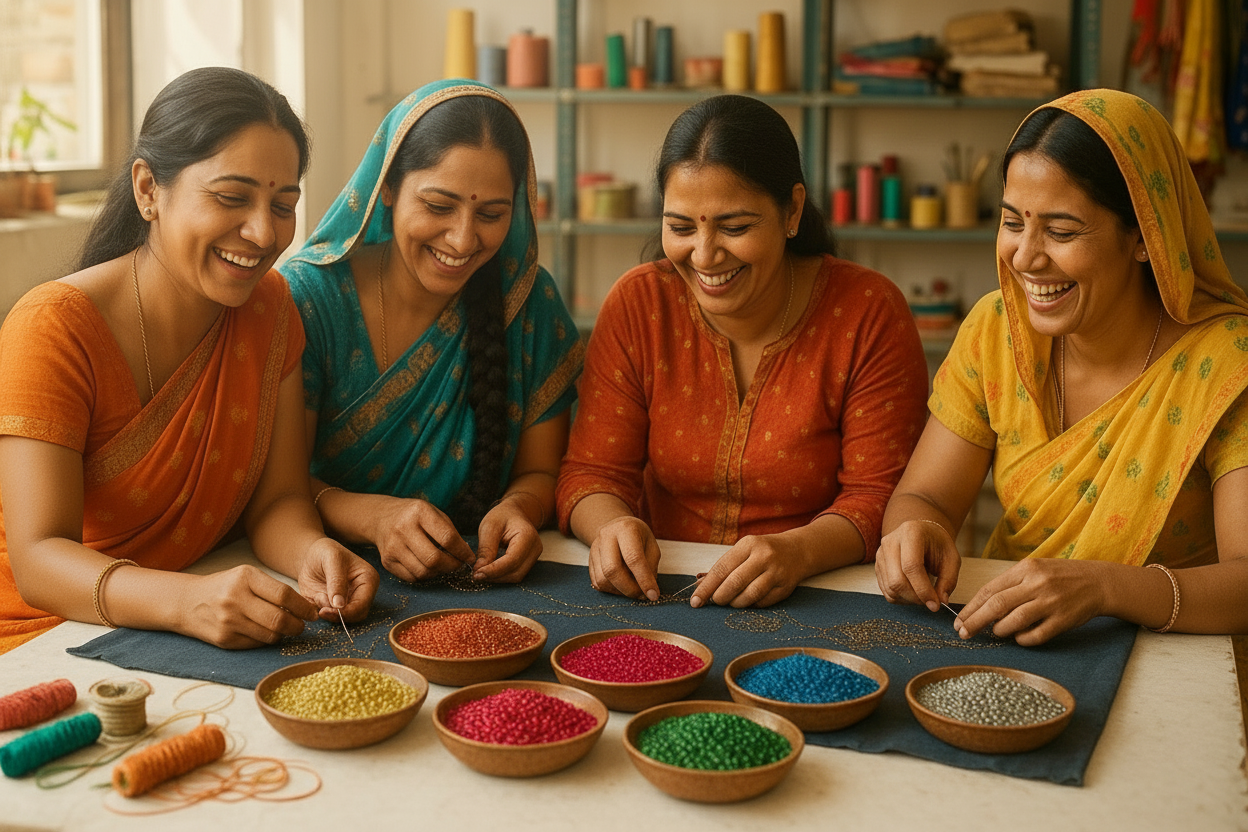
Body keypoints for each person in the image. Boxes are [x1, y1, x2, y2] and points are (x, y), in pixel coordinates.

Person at [0, 67, 379, 655]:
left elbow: (278, 500)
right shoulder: (53, 328)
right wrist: (186, 602)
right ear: (148, 190)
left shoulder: (270, 309)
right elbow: (38, 559)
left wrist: (312, 552)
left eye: (283, 205)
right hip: (43, 633)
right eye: (231, 197)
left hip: (185, 616)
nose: (263, 232)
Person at [875, 89, 1248, 645]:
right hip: (1008, 635)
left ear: (1144, 236)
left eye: (1062, 231)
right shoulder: (997, 330)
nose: (1025, 256)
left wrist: (1106, 588)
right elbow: (925, 496)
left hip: (1171, 660)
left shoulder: (1227, 364)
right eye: (1012, 222)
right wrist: (916, 532)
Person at [556, 95, 929, 609]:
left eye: (734, 228)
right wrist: (612, 526)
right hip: (662, 587)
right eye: (681, 227)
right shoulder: (639, 305)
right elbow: (592, 474)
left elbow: (879, 495)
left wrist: (799, 552)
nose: (704, 255)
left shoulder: (867, 311)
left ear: (792, 210)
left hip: (817, 591)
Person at [281, 81, 582, 586]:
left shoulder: (526, 303)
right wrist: (375, 518)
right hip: (328, 576)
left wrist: (518, 508)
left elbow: (541, 473)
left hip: (481, 576)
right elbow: (277, 491)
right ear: (387, 188)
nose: (463, 240)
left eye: (491, 214)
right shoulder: (311, 299)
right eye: (439, 206)